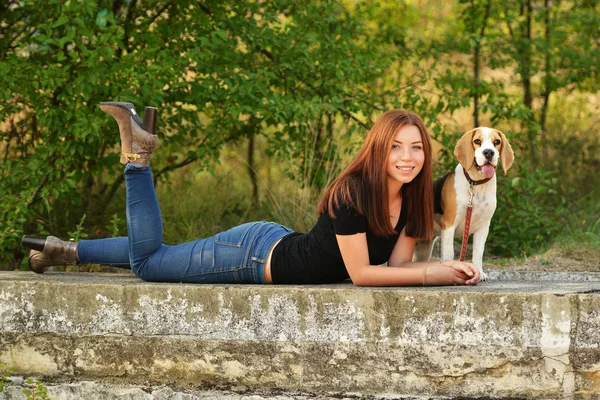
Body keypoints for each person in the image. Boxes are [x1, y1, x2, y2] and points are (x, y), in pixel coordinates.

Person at [21, 104, 480, 286]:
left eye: (416, 148)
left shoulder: (414, 200)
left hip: (273, 242)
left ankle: (63, 251)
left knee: (164, 252)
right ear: (378, 150)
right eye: (396, 147)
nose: (407, 157)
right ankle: (137, 160)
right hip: (251, 257)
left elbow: (397, 268)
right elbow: (362, 274)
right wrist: (434, 276)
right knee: (149, 265)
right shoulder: (352, 194)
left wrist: (447, 266)